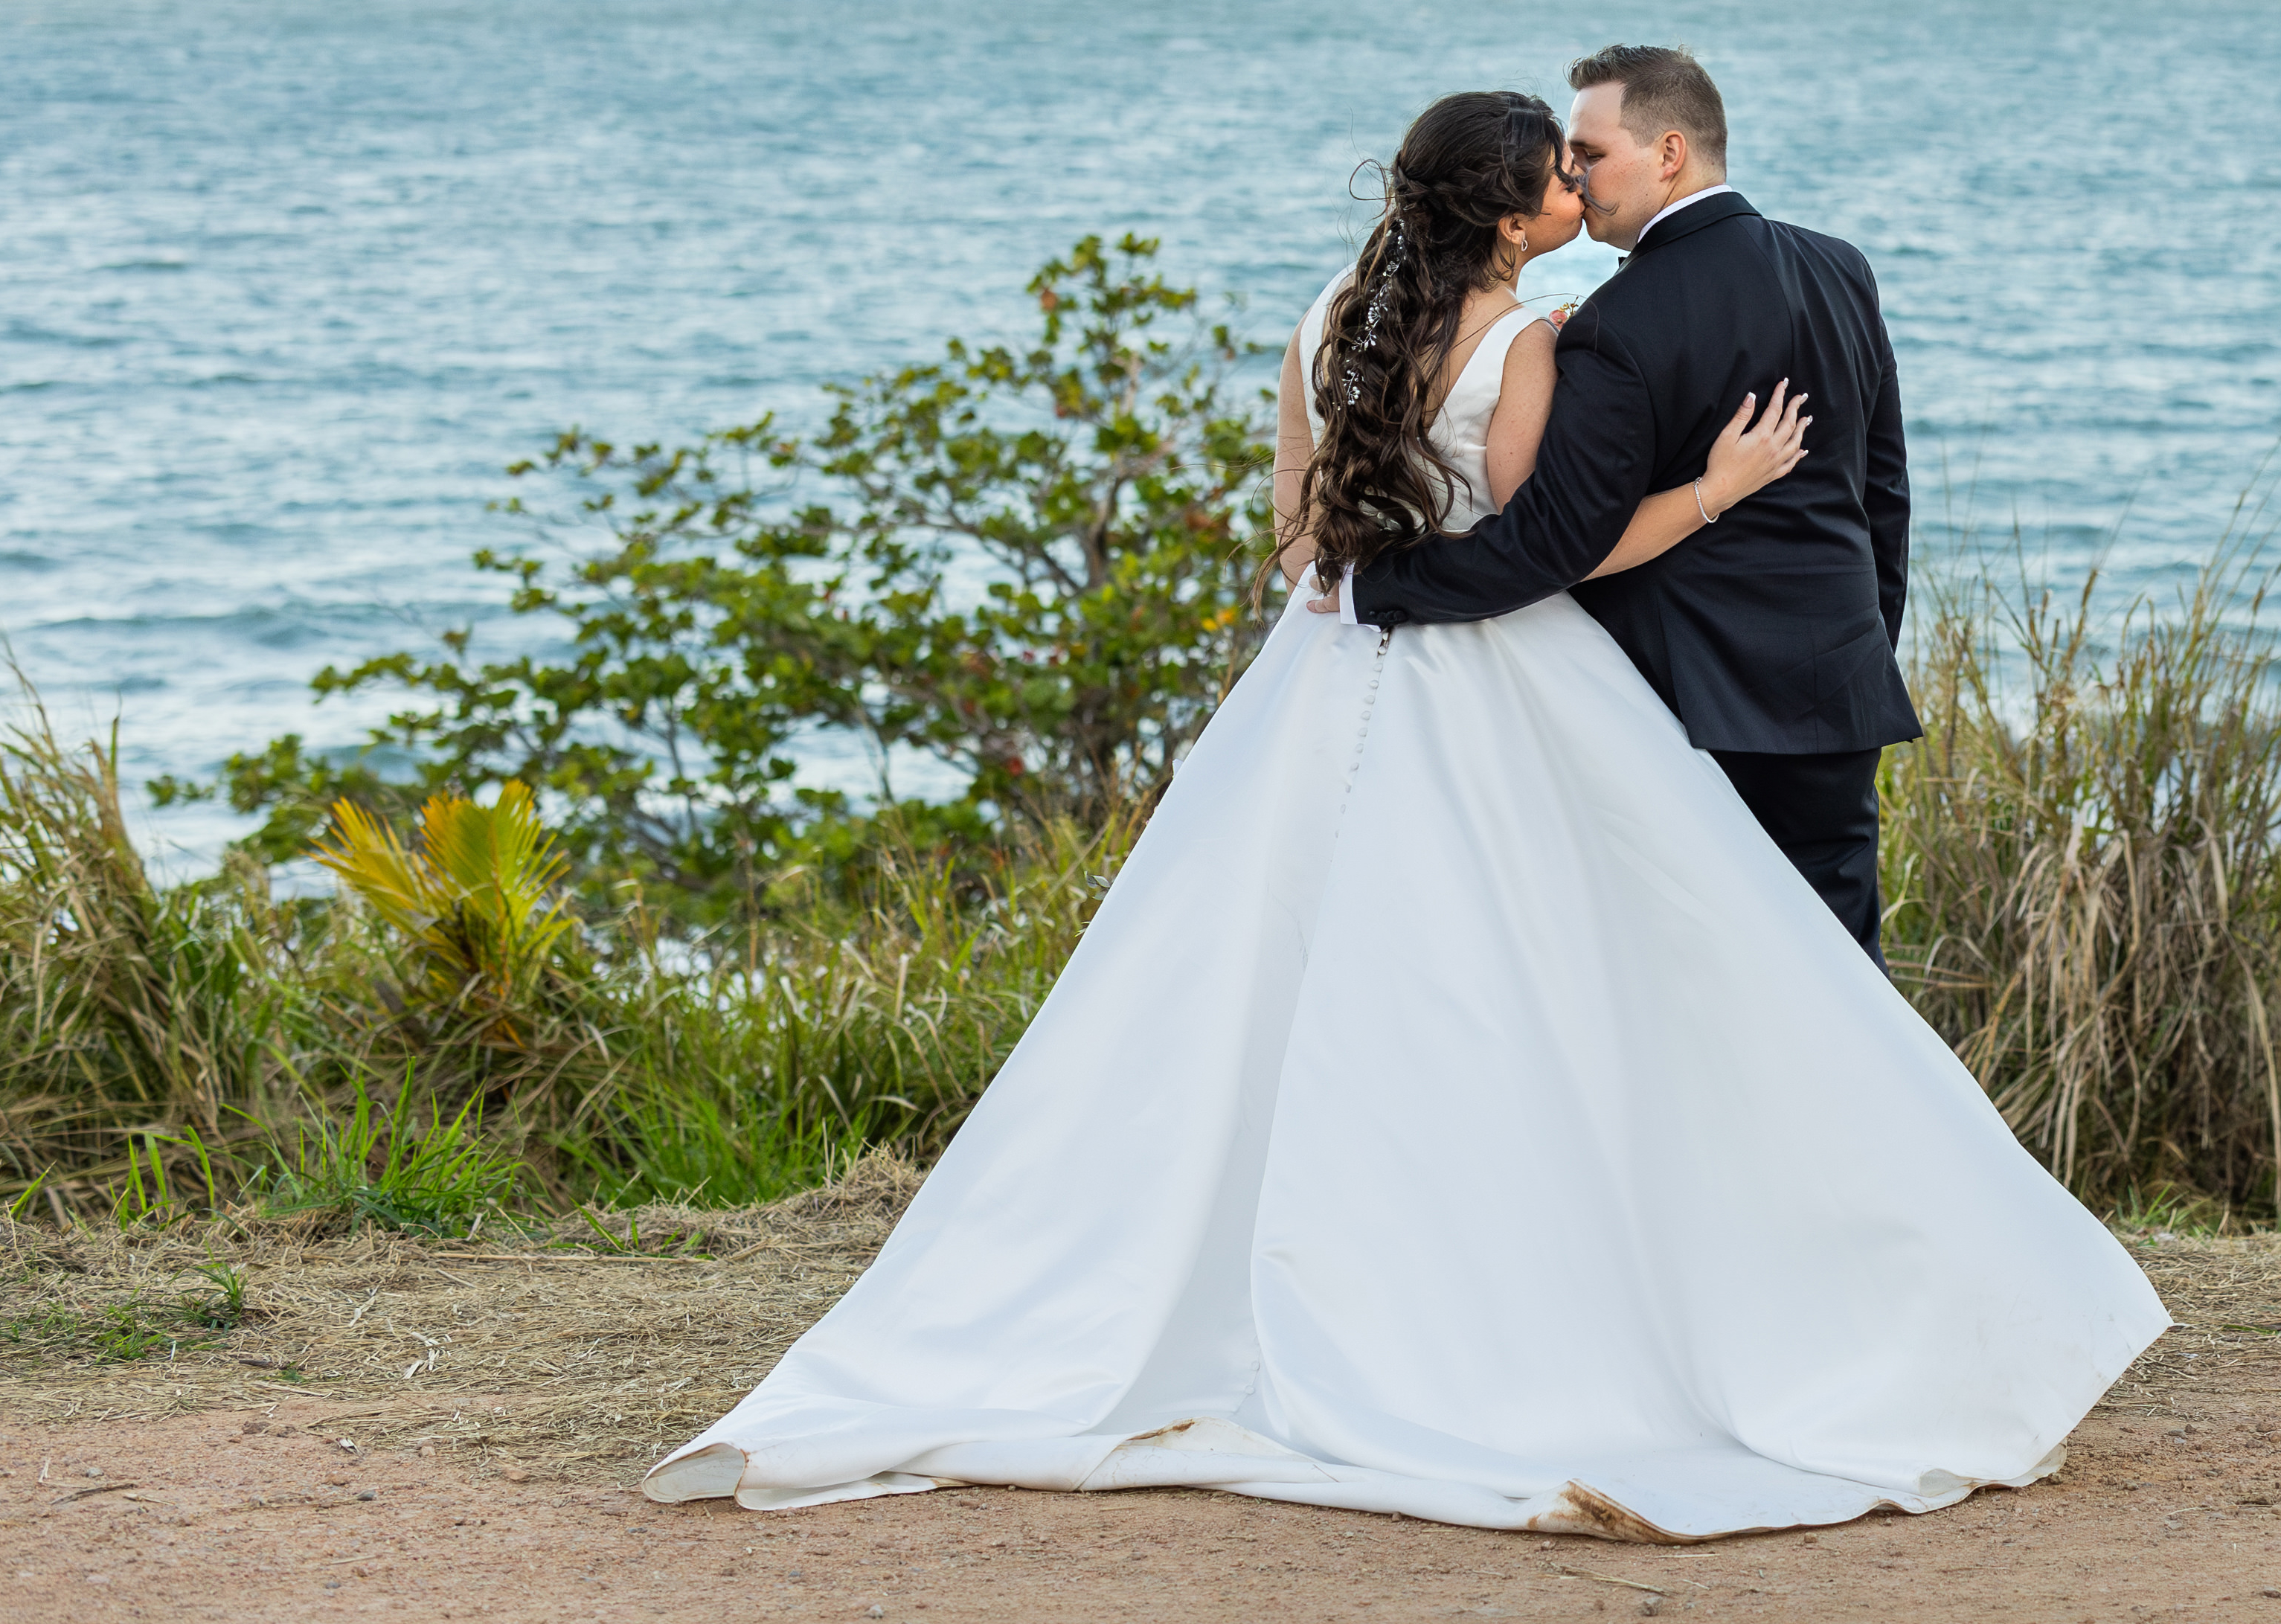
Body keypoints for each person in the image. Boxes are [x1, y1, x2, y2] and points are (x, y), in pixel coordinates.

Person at [643, 87, 2165, 1542]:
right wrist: (1719, 486)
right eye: (1558, 174)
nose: (1577, 190)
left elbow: (1298, 532)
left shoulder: (1327, 321)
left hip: (1318, 668)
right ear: (1510, 220)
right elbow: (1558, 545)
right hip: (1489, 675)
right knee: (1564, 980)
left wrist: (1354, 590)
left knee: (1268, 974)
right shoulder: (1531, 340)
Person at [1344, 45, 1918, 954]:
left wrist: (1375, 585)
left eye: (1590, 152)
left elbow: (1553, 540)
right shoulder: (1840, 269)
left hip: (1693, 708)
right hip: (1839, 693)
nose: (1575, 176)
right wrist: (1864, 643)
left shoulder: (1618, 323)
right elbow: (1883, 495)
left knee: (1691, 975)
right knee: (1840, 974)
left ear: (1670, 152)